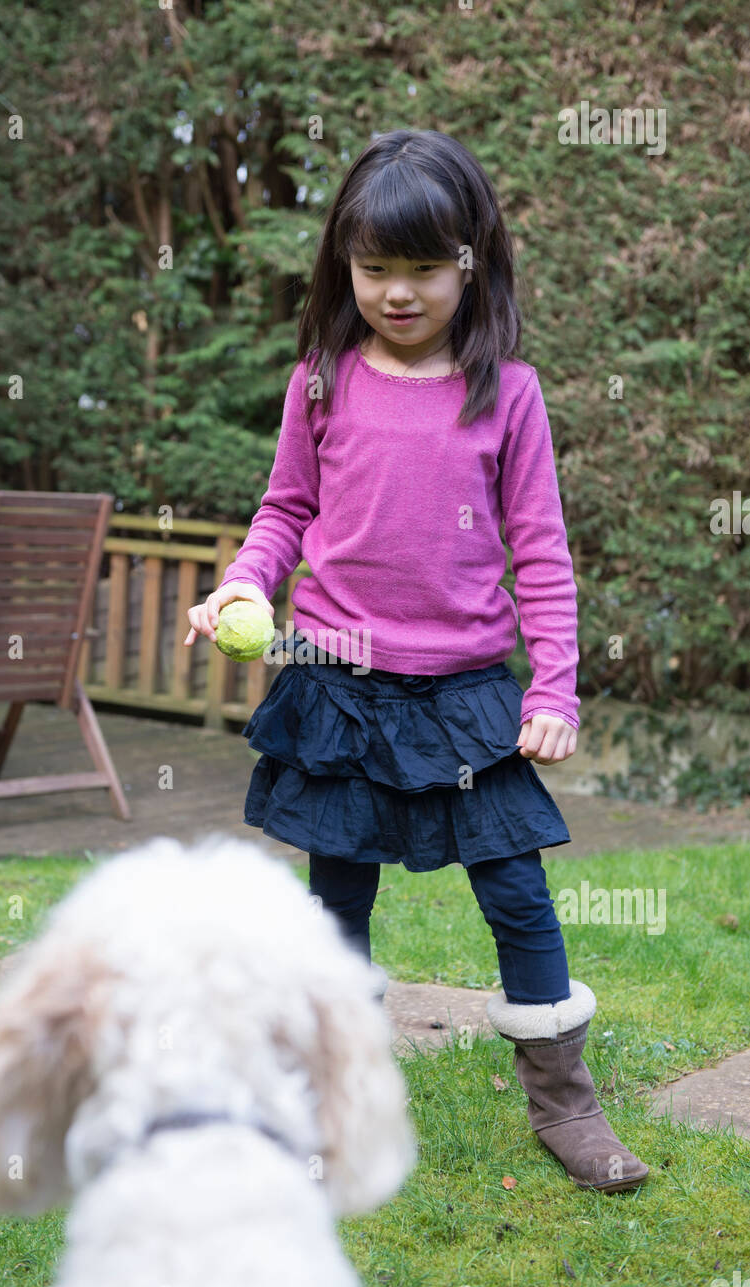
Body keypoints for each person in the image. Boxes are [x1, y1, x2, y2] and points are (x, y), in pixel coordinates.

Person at [184, 129, 647, 1194]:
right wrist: (246, 585)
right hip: (336, 687)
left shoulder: (506, 393)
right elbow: (283, 510)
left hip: (470, 697)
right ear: (344, 263)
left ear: (470, 260)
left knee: (518, 895)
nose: (397, 292)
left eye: (421, 268)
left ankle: (565, 1108)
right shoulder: (319, 382)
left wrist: (556, 687)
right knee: (334, 901)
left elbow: (541, 550)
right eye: (374, 268)